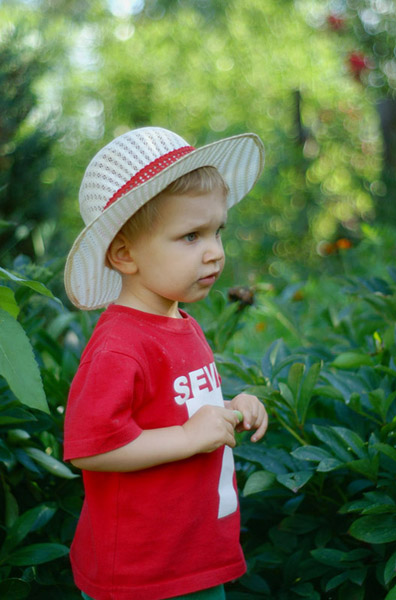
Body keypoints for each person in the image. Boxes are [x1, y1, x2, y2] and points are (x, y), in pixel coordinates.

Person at [63, 126, 268, 600]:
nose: (215, 251)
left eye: (217, 231)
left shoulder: (183, 323)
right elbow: (89, 447)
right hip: (140, 575)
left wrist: (234, 407)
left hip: (193, 558)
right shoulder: (120, 344)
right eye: (191, 235)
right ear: (124, 254)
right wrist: (187, 437)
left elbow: (186, 411)